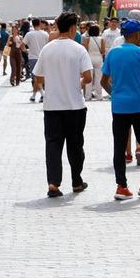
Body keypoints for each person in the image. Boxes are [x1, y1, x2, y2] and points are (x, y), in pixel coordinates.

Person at [33, 12, 93, 197]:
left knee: (53, 145)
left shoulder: (47, 49)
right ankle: (76, 180)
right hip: (75, 105)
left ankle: (53, 183)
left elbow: (38, 77)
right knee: (75, 145)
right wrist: (77, 82)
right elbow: (89, 77)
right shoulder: (79, 49)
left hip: (52, 106)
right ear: (74, 27)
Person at [101, 19, 140, 200]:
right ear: (136, 35)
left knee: (119, 146)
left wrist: (115, 94)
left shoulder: (113, 53)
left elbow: (103, 81)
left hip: (119, 107)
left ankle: (121, 187)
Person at [24, 19, 49, 100]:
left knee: (35, 76)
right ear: (40, 23)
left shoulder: (29, 34)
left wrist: (26, 51)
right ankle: (34, 95)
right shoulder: (45, 34)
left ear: (32, 24)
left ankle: (42, 93)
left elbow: (22, 45)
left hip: (33, 57)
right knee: (41, 76)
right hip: (43, 57)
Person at [83, 22, 107, 101]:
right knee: (98, 78)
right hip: (98, 58)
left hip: (89, 58)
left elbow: (85, 50)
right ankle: (99, 96)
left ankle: (87, 96)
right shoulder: (101, 39)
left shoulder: (87, 39)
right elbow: (103, 51)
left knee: (89, 78)